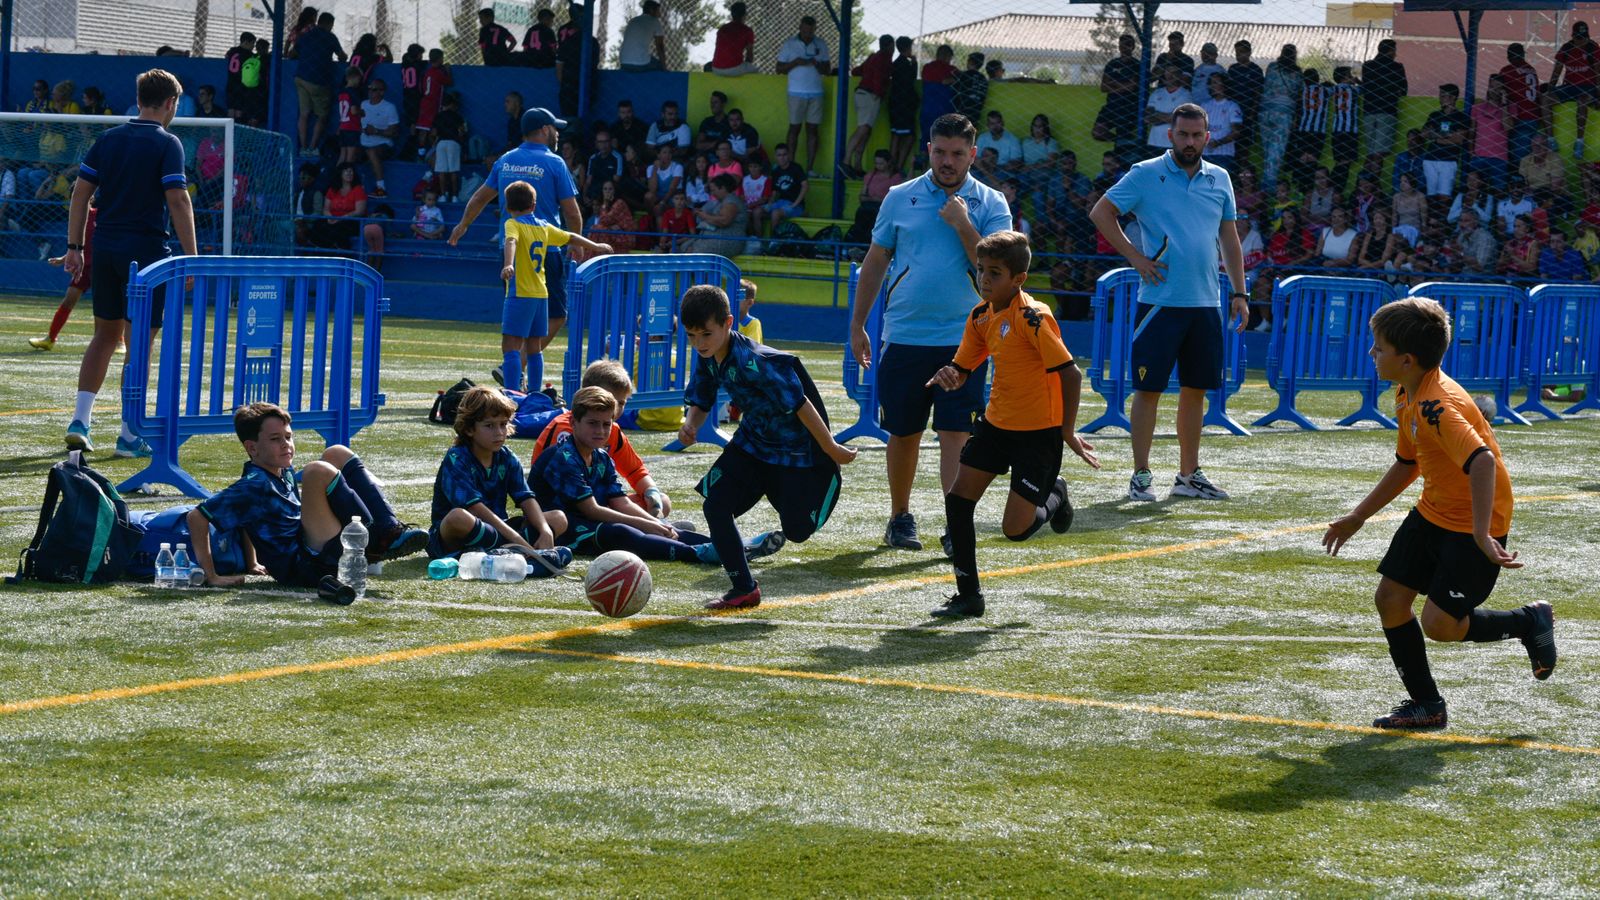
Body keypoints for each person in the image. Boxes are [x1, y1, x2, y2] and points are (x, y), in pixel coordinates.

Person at [1322, 297, 1555, 731]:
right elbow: (1407, 463)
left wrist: (1482, 534)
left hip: (1473, 524)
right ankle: (1427, 705)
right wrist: (1358, 516)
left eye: (1379, 347)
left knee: (1441, 625)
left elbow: (1483, 462)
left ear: (1406, 360)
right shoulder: (1406, 391)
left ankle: (1528, 622)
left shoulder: (1437, 405)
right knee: (1390, 599)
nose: (1372, 353)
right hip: (1433, 511)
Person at [851, 113, 1011, 551]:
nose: (947, 161)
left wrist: (962, 223)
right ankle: (900, 518)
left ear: (972, 155)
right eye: (940, 151)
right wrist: (858, 323)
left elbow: (997, 268)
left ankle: (955, 525)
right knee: (904, 432)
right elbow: (876, 260)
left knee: (957, 434)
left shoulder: (992, 202)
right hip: (905, 334)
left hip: (967, 340)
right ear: (928, 150)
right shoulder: (898, 197)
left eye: (957, 153)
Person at [923, 231, 1099, 617]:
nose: (984, 279)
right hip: (995, 426)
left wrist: (1066, 431)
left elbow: (1071, 374)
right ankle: (969, 596)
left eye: (995, 273)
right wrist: (951, 373)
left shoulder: (1033, 318)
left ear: (1018, 279)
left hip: (1038, 434)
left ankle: (1056, 493)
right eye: (980, 270)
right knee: (958, 500)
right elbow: (963, 366)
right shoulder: (981, 316)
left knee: (1015, 530)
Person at [1091, 103, 1248, 502]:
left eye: (1197, 135)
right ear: (1170, 135)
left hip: (1206, 303)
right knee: (1148, 390)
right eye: (1183, 134)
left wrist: (1240, 292)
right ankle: (1141, 475)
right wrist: (1135, 257)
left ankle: (1188, 475)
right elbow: (1101, 212)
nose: (1190, 141)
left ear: (1207, 137)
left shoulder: (1220, 178)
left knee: (1196, 390)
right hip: (1160, 302)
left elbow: (1229, 239)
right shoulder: (1145, 173)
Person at [676, 284, 856, 609]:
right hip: (752, 444)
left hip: (794, 453)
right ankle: (744, 589)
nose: (699, 343)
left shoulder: (755, 360)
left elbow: (801, 403)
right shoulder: (708, 356)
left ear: (728, 323)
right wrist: (691, 424)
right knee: (715, 506)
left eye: (706, 334)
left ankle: (824, 477)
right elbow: (702, 398)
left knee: (797, 530)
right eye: (691, 335)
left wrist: (830, 448)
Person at [61, 70, 196, 457]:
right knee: (139, 346)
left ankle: (80, 421)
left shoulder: (109, 138)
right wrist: (191, 255)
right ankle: (129, 434)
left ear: (138, 100)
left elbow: (80, 193)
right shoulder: (167, 143)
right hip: (147, 255)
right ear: (171, 103)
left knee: (104, 336)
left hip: (105, 248)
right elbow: (177, 199)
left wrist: (75, 247)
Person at [188, 402, 427, 589]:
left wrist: (252, 563)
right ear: (252, 448)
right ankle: (377, 540)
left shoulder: (281, 471)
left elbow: (247, 516)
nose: (286, 444)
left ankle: (389, 530)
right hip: (303, 567)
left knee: (336, 453)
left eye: (288, 436)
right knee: (316, 471)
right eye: (275, 439)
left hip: (311, 549)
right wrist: (212, 576)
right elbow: (196, 517)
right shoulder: (253, 484)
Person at [532, 387, 747, 565]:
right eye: (593, 423)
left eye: (606, 424)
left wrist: (655, 522)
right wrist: (645, 524)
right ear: (573, 423)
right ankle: (696, 554)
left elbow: (620, 502)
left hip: (589, 520)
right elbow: (592, 510)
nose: (600, 431)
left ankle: (730, 548)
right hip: (563, 528)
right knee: (621, 531)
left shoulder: (601, 456)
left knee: (663, 527)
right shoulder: (564, 457)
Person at [451, 108, 583, 389]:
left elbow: (480, 197)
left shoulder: (506, 160)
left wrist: (463, 225)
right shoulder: (555, 162)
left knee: (518, 317)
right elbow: (572, 212)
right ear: (545, 129)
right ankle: (518, 371)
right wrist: (576, 242)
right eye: (555, 129)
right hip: (545, 250)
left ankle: (513, 377)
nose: (557, 134)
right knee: (556, 315)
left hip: (510, 252)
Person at [499, 180, 613, 395]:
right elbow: (571, 236)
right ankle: (534, 394)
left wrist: (508, 264)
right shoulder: (544, 226)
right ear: (534, 205)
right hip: (541, 294)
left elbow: (511, 241)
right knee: (534, 346)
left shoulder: (512, 224)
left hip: (520, 293)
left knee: (511, 345)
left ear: (507, 206)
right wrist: (595, 246)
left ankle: (511, 394)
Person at [428, 386, 567, 561]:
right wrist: (517, 539)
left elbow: (526, 498)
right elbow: (474, 508)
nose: (499, 432)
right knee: (458, 517)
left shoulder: (506, 457)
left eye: (503, 424)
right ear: (469, 429)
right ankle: (514, 550)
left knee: (558, 518)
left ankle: (503, 551)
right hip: (463, 530)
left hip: (496, 529)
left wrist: (545, 530)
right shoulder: (457, 457)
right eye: (489, 426)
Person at [529, 360, 677, 516]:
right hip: (562, 505)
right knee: (565, 518)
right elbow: (561, 481)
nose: (615, 408)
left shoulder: (612, 430)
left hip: (598, 502)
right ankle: (651, 527)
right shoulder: (565, 429)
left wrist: (651, 493)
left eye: (621, 403)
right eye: (608, 400)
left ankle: (656, 526)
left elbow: (635, 471)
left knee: (662, 501)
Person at [777, 15, 831, 175]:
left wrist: (816, 63)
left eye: (811, 31)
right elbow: (779, 69)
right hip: (796, 92)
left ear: (815, 30)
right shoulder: (790, 44)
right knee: (794, 128)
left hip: (816, 93)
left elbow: (827, 70)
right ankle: (790, 166)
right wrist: (796, 62)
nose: (808, 34)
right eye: (805, 31)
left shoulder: (821, 44)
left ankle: (810, 168)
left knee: (813, 130)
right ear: (800, 28)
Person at [289, 11, 346, 156]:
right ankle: (313, 148)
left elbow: (292, 54)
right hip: (319, 81)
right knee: (322, 116)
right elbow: (342, 57)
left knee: (304, 114)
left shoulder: (305, 35)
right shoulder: (330, 37)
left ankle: (303, 147)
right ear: (330, 24)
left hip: (301, 78)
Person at [845, 36, 894, 179]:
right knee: (863, 128)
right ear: (891, 46)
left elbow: (856, 71)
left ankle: (857, 165)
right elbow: (879, 76)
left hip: (861, 93)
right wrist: (879, 93)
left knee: (866, 131)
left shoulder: (873, 57)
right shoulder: (884, 58)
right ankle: (846, 161)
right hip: (871, 95)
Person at [1549, 21, 1599, 159]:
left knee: (1582, 102)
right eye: (1578, 38)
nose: (1581, 41)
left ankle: (1579, 142)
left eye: (1583, 38)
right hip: (1569, 86)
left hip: (1588, 87)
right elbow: (1557, 71)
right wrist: (1550, 88)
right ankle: (1551, 139)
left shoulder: (1593, 48)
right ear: (1573, 36)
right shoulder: (1567, 48)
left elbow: (1598, 74)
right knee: (1545, 99)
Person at [1259, 44, 1300, 192]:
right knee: (1276, 150)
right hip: (1284, 113)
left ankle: (1265, 181)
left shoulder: (1272, 67)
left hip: (1265, 111)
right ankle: (1269, 184)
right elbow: (1297, 93)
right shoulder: (1296, 73)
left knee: (1266, 149)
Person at [1421, 84, 1470, 209]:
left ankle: (1442, 219)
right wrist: (1447, 136)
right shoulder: (1435, 115)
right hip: (1430, 159)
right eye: (1440, 95)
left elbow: (1459, 139)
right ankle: (1431, 218)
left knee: (1444, 196)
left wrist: (1436, 136)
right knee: (1430, 195)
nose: (1440, 98)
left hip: (1449, 160)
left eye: (1443, 95)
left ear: (1453, 98)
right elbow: (1424, 133)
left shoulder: (1461, 117)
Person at [1360, 39, 1406, 163]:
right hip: (1387, 110)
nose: (1395, 54)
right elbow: (1403, 90)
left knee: (1370, 151)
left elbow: (1365, 86)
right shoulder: (1397, 67)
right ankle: (1374, 174)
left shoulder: (1367, 66)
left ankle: (1366, 173)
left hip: (1368, 111)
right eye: (1394, 51)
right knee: (1380, 152)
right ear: (1391, 51)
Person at [1499, 44, 1543, 168]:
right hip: (1534, 116)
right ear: (1523, 55)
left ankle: (1518, 177)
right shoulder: (1531, 69)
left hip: (1519, 116)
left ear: (1509, 56)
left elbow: (1500, 90)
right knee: (1528, 153)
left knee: (1518, 155)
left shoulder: (1507, 70)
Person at [684, 173, 748, 258]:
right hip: (714, 238)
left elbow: (724, 221)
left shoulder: (731, 202)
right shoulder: (720, 202)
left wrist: (704, 216)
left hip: (726, 241)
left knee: (692, 253)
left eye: (713, 190)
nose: (712, 194)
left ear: (723, 188)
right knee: (684, 247)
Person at [1287, 69, 1329, 194]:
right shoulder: (1325, 90)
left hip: (1303, 129)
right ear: (1317, 78)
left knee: (1303, 157)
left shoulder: (1302, 91)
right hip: (1318, 130)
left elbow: (1298, 109)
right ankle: (1309, 188)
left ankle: (1299, 186)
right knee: (1312, 158)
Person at [357, 78, 399, 198]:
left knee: (371, 152)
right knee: (348, 151)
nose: (370, 91)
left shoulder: (389, 107)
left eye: (374, 89)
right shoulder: (363, 104)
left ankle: (381, 189)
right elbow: (359, 124)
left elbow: (394, 133)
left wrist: (376, 131)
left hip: (383, 144)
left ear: (382, 92)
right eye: (369, 88)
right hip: (363, 143)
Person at [1468, 77, 1511, 193]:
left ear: (1503, 90)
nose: (1494, 90)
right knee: (1474, 190)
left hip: (1499, 158)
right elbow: (1472, 131)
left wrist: (1504, 103)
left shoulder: (1510, 108)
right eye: (1492, 87)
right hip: (1478, 156)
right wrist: (1471, 152)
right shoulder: (1477, 108)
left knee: (1498, 191)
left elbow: (1508, 127)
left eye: (1498, 87)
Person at [1146, 65, 1195, 161]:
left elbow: (1180, 119)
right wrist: (1170, 117)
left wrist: (1157, 116)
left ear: (1179, 76)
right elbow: (1147, 117)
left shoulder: (1186, 95)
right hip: (1154, 141)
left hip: (1174, 143)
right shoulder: (1157, 93)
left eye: (1173, 73)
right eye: (1167, 73)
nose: (1170, 76)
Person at [412, 49, 451, 160]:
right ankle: (430, 152)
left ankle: (421, 152)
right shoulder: (438, 73)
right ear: (440, 59)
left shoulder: (427, 72)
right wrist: (448, 71)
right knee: (432, 128)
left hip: (425, 102)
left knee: (423, 128)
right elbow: (449, 82)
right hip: (433, 103)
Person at [1227, 40, 1264, 157]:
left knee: (1245, 142)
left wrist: (1253, 112)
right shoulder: (1233, 69)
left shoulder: (1255, 70)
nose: (1238, 55)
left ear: (1249, 52)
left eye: (1241, 52)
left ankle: (1244, 165)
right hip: (1233, 111)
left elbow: (1258, 92)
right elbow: (1228, 90)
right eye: (1236, 52)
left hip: (1248, 112)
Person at [1328, 66, 1362, 193]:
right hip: (1350, 131)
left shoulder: (1334, 89)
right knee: (1346, 162)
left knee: (1340, 161)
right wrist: (1357, 81)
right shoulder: (1354, 90)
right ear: (1345, 77)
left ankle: (1332, 189)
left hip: (1337, 130)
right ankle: (1336, 190)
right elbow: (1367, 88)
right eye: (1350, 75)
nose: (1352, 77)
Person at [1201, 74, 1243, 176]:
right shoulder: (1204, 106)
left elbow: (1236, 132)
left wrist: (1218, 142)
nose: (1213, 86)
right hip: (1204, 154)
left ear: (1224, 85)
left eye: (1216, 82)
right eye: (1211, 83)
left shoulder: (1232, 106)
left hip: (1224, 155)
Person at [430, 92, 467, 202]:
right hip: (453, 143)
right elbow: (462, 132)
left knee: (441, 172)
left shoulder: (438, 116)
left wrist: (433, 142)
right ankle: (454, 196)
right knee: (453, 171)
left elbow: (434, 132)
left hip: (441, 143)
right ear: (452, 104)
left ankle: (443, 196)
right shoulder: (457, 116)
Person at [920, 44, 958, 146]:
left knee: (926, 140)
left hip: (927, 109)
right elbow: (950, 81)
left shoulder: (927, 68)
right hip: (944, 110)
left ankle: (923, 155)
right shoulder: (952, 70)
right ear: (948, 56)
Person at [766, 143, 808, 228]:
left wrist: (795, 204)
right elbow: (774, 191)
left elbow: (805, 186)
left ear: (788, 155)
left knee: (775, 213)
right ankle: (757, 237)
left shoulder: (796, 168)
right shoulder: (776, 171)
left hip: (795, 204)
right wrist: (770, 203)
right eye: (779, 155)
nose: (782, 158)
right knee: (757, 212)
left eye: (784, 154)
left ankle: (774, 238)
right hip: (780, 202)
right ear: (775, 156)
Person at [711, 2, 757, 76]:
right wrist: (746, 65)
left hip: (716, 68)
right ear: (745, 15)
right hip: (734, 69)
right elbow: (749, 55)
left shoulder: (723, 28)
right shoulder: (747, 31)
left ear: (732, 14)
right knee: (754, 69)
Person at [619, 0, 667, 71]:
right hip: (640, 63)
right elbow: (660, 46)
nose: (660, 14)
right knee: (660, 67)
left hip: (624, 62)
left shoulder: (633, 20)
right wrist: (664, 67)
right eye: (658, 11)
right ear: (651, 10)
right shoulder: (655, 21)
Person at [334, 67, 365, 165]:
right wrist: (362, 112)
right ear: (355, 77)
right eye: (359, 79)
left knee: (342, 155)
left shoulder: (342, 92)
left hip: (343, 127)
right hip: (352, 128)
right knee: (350, 157)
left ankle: (337, 172)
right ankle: (347, 171)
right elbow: (354, 111)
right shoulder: (354, 92)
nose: (359, 82)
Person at [224, 31, 256, 121]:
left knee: (230, 109)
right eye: (252, 43)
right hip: (241, 85)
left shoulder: (232, 51)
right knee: (239, 110)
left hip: (230, 83)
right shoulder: (248, 54)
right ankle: (238, 125)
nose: (253, 47)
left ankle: (229, 126)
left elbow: (226, 56)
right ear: (246, 42)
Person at [953, 52, 990, 127]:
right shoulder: (983, 78)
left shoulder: (964, 75)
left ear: (970, 61)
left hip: (963, 110)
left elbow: (954, 87)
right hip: (976, 112)